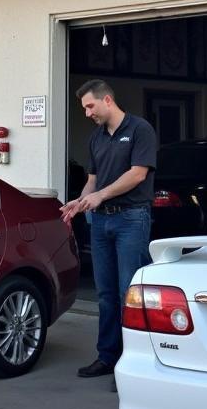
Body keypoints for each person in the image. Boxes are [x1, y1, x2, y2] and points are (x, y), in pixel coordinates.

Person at [60, 79, 157, 378]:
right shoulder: (96, 138)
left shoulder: (141, 130)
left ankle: (133, 365)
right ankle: (107, 358)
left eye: (90, 106)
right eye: (85, 108)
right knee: (105, 294)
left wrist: (101, 194)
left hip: (131, 219)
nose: (87, 113)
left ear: (107, 101)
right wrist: (79, 201)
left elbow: (137, 174)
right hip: (100, 222)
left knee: (129, 293)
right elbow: (93, 179)